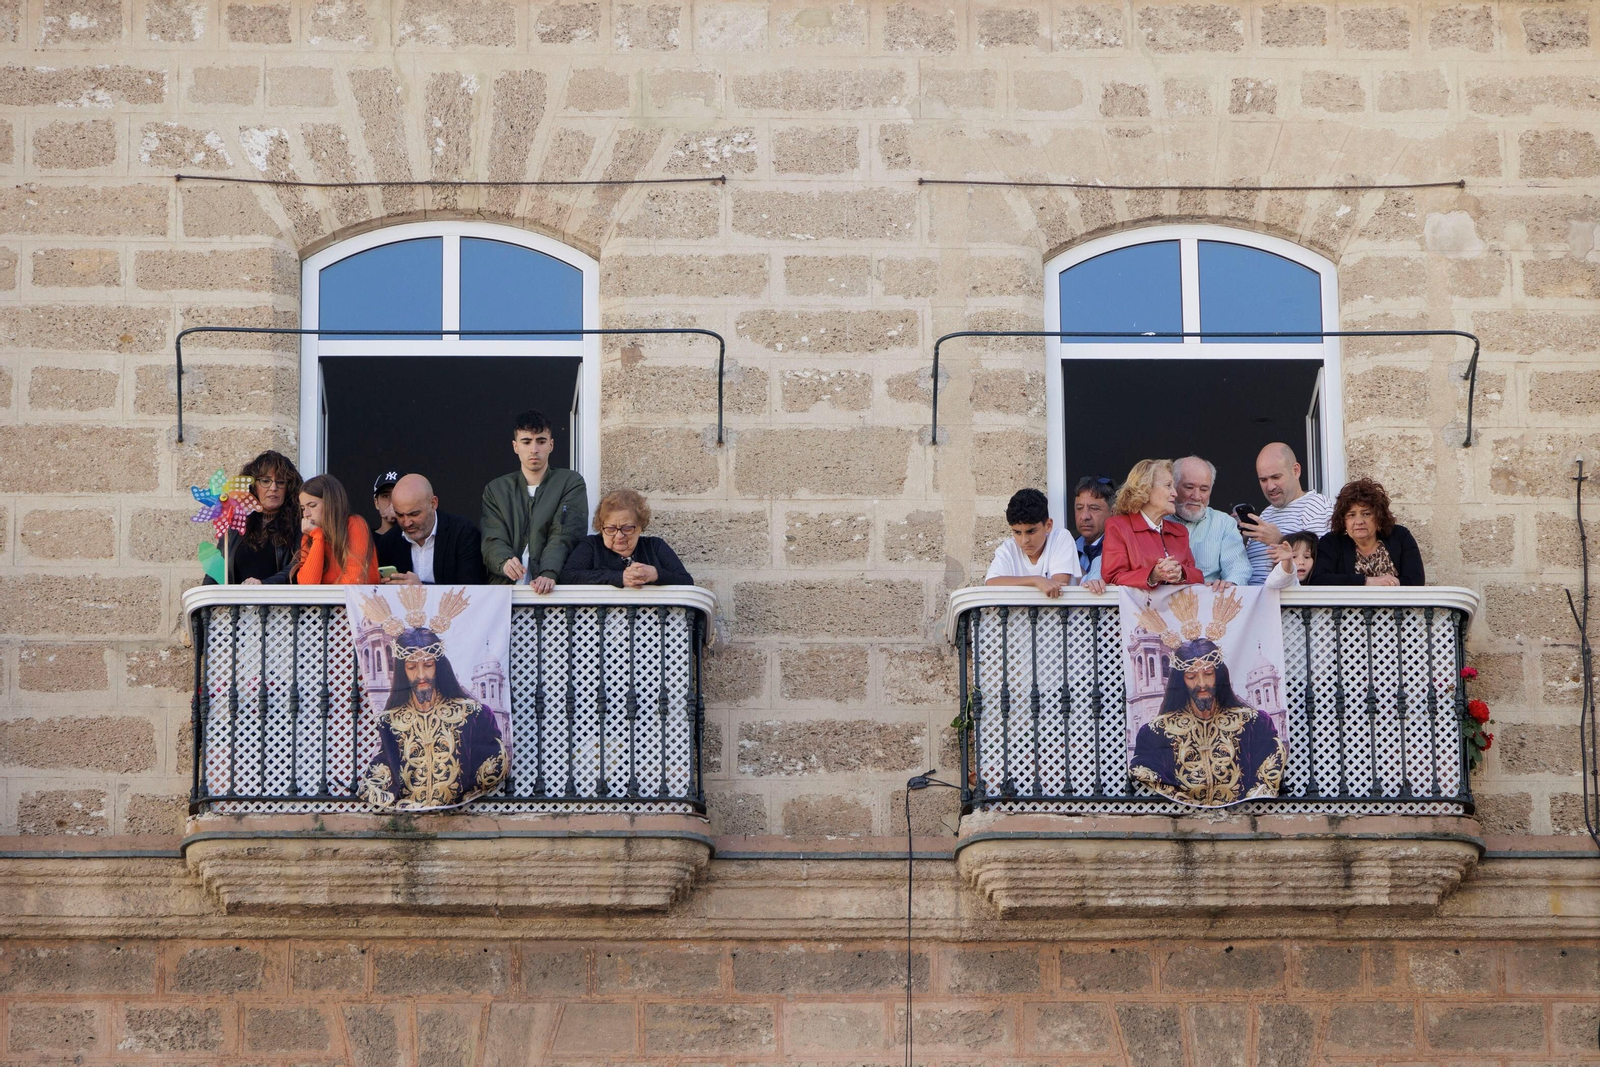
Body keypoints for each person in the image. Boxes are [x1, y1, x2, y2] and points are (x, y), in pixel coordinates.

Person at [357, 596, 507, 811]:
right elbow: (384, 767)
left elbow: (493, 760)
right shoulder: (390, 720)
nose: (421, 675)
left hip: (461, 814)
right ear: (402, 670)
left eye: (428, 665)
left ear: (439, 666)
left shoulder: (472, 713)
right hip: (407, 818)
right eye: (411, 667)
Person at [1129, 620, 1286, 807]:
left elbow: (1271, 762)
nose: (1201, 684)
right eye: (1192, 676)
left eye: (1208, 674)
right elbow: (1143, 769)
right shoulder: (1156, 732)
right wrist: (1185, 802)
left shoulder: (1253, 723)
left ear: (1218, 675)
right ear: (1181, 681)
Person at [481, 410, 588, 593]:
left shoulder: (570, 482)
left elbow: (565, 534)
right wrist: (504, 561)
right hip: (505, 592)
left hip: (554, 590)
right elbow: (492, 538)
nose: (534, 449)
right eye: (526, 442)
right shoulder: (496, 489)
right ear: (515, 446)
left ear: (551, 445)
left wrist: (549, 572)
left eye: (541, 441)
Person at [559, 489, 694, 587]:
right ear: (601, 528)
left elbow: (686, 581)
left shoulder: (655, 546)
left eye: (627, 528)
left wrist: (656, 574)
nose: (619, 536)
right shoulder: (591, 545)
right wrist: (619, 577)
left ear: (641, 527)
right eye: (611, 529)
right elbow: (568, 576)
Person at [1240, 442, 1332, 585]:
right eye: (1263, 480)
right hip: (1249, 600)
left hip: (1287, 604)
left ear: (1296, 471)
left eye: (1276, 477)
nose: (1270, 487)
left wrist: (1279, 540)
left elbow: (1322, 566)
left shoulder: (1317, 506)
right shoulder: (1266, 513)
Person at [1101, 459, 1202, 589]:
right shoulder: (1118, 526)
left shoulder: (1179, 531)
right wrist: (1153, 575)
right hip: (1139, 608)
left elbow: (1198, 576)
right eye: (1168, 485)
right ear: (1146, 489)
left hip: (1177, 608)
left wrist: (1181, 573)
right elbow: (1113, 577)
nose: (1175, 493)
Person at [1308, 478, 1426, 586]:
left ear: (1379, 516)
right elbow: (1318, 579)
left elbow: (1416, 580)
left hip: (1397, 608)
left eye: (1366, 514)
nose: (1359, 521)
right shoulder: (1332, 542)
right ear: (1343, 520)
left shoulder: (1400, 536)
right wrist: (1366, 581)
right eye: (1351, 515)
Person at [377, 473, 487, 585]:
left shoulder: (463, 533)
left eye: (414, 514)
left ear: (433, 504)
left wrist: (422, 589)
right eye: (399, 515)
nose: (407, 523)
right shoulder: (388, 542)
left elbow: (471, 592)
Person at [215, 450, 302, 586]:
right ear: (253, 487)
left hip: (280, 604)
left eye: (280, 482)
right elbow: (216, 570)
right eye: (266, 481)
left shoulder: (299, 524)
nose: (273, 488)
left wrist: (264, 584)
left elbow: (297, 566)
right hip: (237, 605)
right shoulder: (235, 524)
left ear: (288, 487)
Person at [983, 488, 1082, 597]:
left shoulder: (1060, 538)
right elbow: (991, 583)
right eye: (1017, 532)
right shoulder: (1008, 548)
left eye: (1031, 531)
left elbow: (1057, 586)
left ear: (1048, 525)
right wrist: (1035, 580)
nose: (1024, 540)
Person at [1173, 455, 1252, 587]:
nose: (1196, 496)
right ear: (1173, 485)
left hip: (1209, 601)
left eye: (1204, 489)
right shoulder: (1159, 519)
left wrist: (1230, 583)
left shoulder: (1224, 523)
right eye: (1189, 487)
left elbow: (1237, 567)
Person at [291, 474, 378, 585]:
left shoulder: (354, 524)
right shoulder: (310, 536)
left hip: (354, 601)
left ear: (331, 503)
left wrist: (324, 596)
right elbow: (307, 584)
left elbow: (355, 579)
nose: (306, 514)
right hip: (325, 601)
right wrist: (318, 537)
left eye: (312, 506)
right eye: (303, 508)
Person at [1073, 475, 1114, 594]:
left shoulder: (1120, 549)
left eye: (1094, 508)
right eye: (1079, 508)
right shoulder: (1068, 547)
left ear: (1113, 511)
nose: (1084, 516)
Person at [372, 471, 400, 538]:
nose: (392, 502)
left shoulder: (415, 538)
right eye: (386, 496)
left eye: (398, 495)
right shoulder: (367, 539)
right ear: (376, 503)